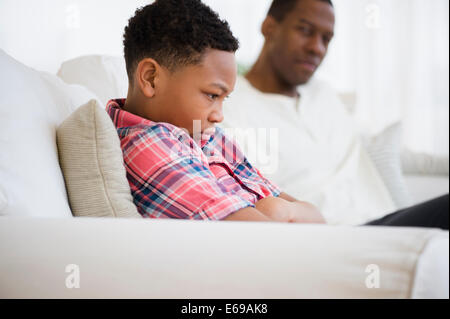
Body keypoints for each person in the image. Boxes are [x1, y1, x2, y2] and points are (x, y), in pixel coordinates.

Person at [107, 0, 447, 230]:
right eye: (213, 95)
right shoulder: (155, 145)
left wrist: (282, 211)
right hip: (326, 247)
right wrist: (280, 213)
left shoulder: (205, 132)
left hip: (327, 235)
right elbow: (257, 236)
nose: (220, 114)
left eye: (327, 38)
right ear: (150, 78)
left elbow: (295, 211)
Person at [220, 0, 449, 229]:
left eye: (326, 39)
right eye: (305, 31)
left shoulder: (324, 95)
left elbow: (373, 146)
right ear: (269, 27)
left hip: (390, 222)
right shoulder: (227, 107)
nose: (317, 48)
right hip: (338, 237)